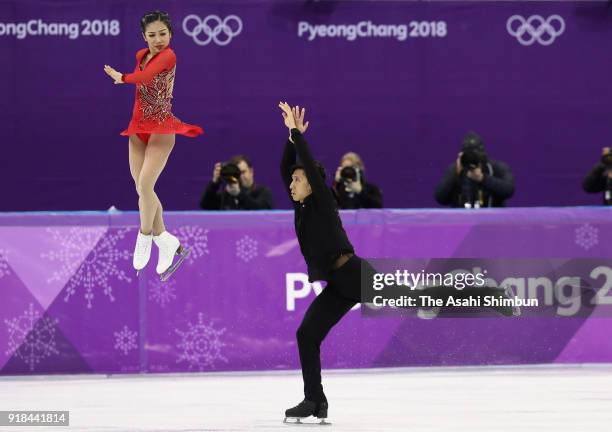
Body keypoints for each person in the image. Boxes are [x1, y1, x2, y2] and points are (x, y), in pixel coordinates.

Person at [278, 103, 519, 425]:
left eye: (298, 179)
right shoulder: (302, 207)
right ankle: (314, 399)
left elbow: (304, 163)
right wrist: (289, 139)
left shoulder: (322, 200)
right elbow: (286, 168)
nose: (291, 184)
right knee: (307, 335)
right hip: (338, 284)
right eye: (292, 180)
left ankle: (489, 295)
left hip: (353, 274)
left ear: (312, 183)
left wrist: (298, 136)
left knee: (419, 299)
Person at [103, 10, 202, 281]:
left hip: (161, 127)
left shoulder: (169, 56)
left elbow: (146, 79)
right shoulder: (140, 55)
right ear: (143, 37)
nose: (158, 39)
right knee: (141, 188)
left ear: (170, 34)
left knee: (146, 186)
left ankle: (144, 236)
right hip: (138, 127)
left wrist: (121, 77)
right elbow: (142, 78)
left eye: (163, 33)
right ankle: (166, 240)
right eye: (152, 35)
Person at [435, 132, 514, 208]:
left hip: (491, 220)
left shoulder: (495, 168)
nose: (472, 160)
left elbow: (509, 190)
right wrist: (455, 173)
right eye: (469, 156)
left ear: (483, 155)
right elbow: (440, 198)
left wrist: (483, 178)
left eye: (475, 155)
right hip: (461, 220)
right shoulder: (455, 169)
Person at [199, 155, 274, 210]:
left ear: (251, 171)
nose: (240, 176)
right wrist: (215, 182)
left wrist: (239, 194)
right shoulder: (227, 195)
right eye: (237, 174)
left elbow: (261, 211)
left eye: (243, 172)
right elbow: (205, 205)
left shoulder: (263, 192)